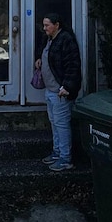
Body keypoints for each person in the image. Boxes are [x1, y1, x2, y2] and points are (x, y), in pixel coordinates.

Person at [35, 12, 82, 171]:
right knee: (54, 123)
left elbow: (73, 65)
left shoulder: (66, 40)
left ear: (57, 25)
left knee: (62, 124)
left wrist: (67, 87)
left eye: (47, 25)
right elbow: (45, 53)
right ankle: (57, 152)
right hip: (50, 90)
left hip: (61, 92)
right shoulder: (49, 39)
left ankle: (65, 158)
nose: (44, 28)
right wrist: (39, 59)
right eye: (44, 25)